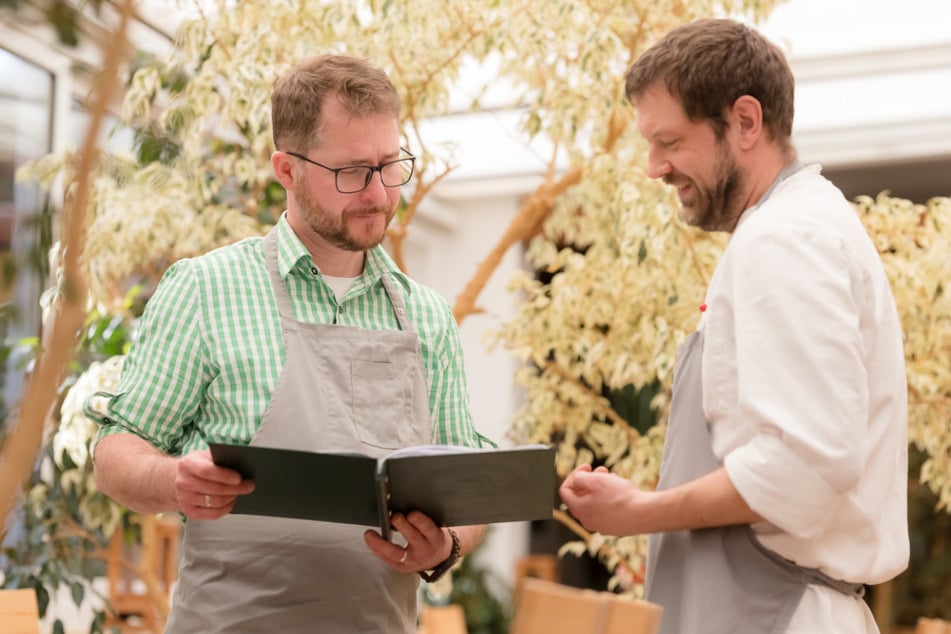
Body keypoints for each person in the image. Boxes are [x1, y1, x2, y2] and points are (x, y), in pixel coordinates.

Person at [92, 54, 490, 633]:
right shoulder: (206, 289)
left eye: (389, 164)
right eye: (352, 172)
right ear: (287, 169)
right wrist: (174, 479)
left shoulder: (426, 317)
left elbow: (467, 480)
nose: (378, 193)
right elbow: (115, 452)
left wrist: (448, 544)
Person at [559, 18, 908, 634]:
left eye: (669, 141)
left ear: (746, 122)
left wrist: (640, 511)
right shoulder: (791, 227)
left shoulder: (784, 240)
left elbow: (804, 468)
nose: (653, 168)